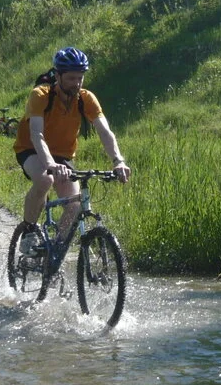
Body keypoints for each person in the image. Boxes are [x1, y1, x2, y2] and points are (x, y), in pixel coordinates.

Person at [12, 47, 131, 269]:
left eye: (80, 78)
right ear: (57, 76)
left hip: (63, 155)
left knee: (75, 203)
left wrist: (118, 160)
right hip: (31, 149)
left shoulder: (86, 98)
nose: (76, 83)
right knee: (46, 179)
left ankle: (55, 250)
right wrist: (49, 164)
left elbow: (105, 132)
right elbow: (36, 133)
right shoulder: (40, 95)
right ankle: (28, 231)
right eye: (71, 78)